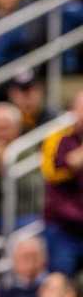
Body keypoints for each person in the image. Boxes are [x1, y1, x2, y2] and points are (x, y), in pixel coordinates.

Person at [40, 90, 83, 276]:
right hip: (64, 227)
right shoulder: (59, 137)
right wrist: (73, 162)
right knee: (59, 280)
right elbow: (50, 172)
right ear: (73, 110)